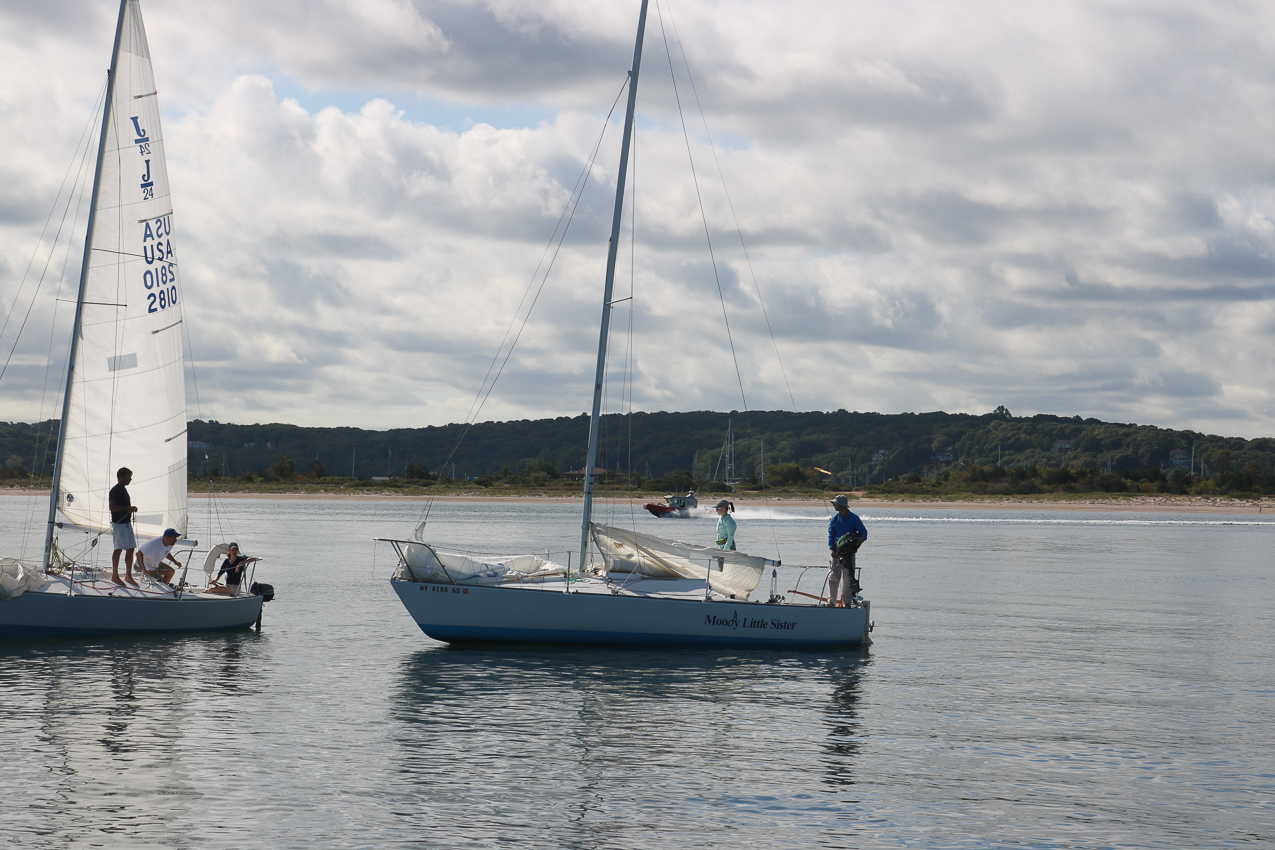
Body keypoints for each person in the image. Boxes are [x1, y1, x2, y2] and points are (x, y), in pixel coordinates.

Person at [827, 494, 868, 606]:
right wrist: (831, 549)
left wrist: (860, 540)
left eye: (835, 503)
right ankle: (831, 601)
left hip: (849, 553)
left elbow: (864, 533)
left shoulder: (854, 518)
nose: (833, 505)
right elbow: (831, 534)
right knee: (833, 577)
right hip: (836, 552)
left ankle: (847, 602)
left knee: (848, 578)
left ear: (841, 505)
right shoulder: (834, 519)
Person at [108, 467, 138, 586]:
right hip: (119, 524)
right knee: (118, 548)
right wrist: (128, 508)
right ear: (122, 477)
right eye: (128, 477)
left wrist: (130, 509)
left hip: (126, 522)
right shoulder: (115, 490)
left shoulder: (123, 489)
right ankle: (115, 575)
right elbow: (112, 507)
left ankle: (128, 575)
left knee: (131, 548)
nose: (130, 479)